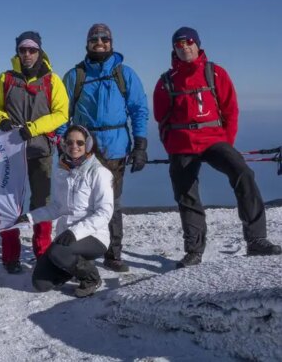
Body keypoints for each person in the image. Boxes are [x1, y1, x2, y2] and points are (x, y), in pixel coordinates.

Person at [153, 27, 281, 268]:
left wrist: (226, 143)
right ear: (174, 50)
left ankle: (256, 239)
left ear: (198, 45)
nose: (184, 47)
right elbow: (161, 118)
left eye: (189, 42)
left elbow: (230, 109)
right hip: (181, 144)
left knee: (243, 173)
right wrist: (171, 145)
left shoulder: (216, 73)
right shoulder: (166, 82)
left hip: (214, 140)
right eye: (179, 45)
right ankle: (194, 251)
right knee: (186, 194)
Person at [58, 23, 149, 273]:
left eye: (105, 39)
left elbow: (139, 109)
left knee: (111, 203)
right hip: (82, 148)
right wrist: (60, 144)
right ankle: (80, 251)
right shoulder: (75, 76)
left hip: (115, 147)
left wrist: (140, 143)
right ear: (87, 43)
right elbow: (61, 114)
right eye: (95, 39)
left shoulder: (124, 74)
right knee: (79, 202)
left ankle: (113, 253)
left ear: (111, 42)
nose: (100, 42)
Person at [0, 31, 68, 273]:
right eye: (23, 50)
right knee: (9, 202)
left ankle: (42, 252)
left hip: (41, 151)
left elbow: (61, 113)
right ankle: (10, 256)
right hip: (11, 151)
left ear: (40, 51)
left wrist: (33, 129)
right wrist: (1, 120)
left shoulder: (52, 80)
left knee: (41, 202)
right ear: (18, 52)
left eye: (32, 49)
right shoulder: (5, 79)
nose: (27, 54)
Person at [19, 125, 113, 297]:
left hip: (94, 235)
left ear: (88, 145)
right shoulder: (62, 170)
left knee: (58, 252)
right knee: (40, 283)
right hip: (66, 237)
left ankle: (91, 278)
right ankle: (73, 267)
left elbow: (104, 213)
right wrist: (30, 217)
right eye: (69, 142)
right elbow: (57, 207)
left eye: (80, 142)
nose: (74, 146)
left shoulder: (98, 172)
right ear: (63, 144)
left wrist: (75, 232)